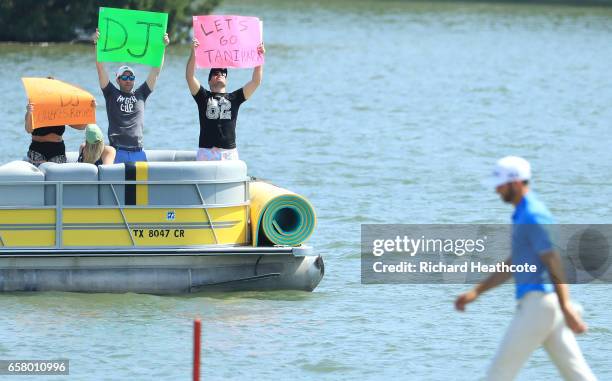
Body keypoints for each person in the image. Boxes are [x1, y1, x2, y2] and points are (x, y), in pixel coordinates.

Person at [455, 156, 596, 381]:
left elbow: (553, 260)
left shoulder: (533, 214)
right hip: (548, 306)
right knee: (578, 375)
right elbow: (514, 263)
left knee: (498, 375)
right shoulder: (521, 214)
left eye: (500, 185)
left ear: (517, 182)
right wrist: (476, 292)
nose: (497, 190)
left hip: (539, 304)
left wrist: (566, 305)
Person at [93, 29, 170, 164]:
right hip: (118, 151)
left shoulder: (141, 93)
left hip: (137, 151)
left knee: (141, 185)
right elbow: (100, 70)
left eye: (131, 77)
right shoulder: (111, 93)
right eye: (124, 77)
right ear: (118, 80)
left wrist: (162, 47)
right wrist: (97, 45)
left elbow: (156, 71)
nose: (128, 80)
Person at [185, 38, 265, 161]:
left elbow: (256, 81)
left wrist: (259, 58)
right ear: (209, 80)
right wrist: (194, 52)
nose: (220, 74)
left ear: (226, 79)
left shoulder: (235, 98)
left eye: (223, 73)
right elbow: (190, 76)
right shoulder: (203, 97)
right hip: (206, 151)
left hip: (229, 152)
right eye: (216, 73)